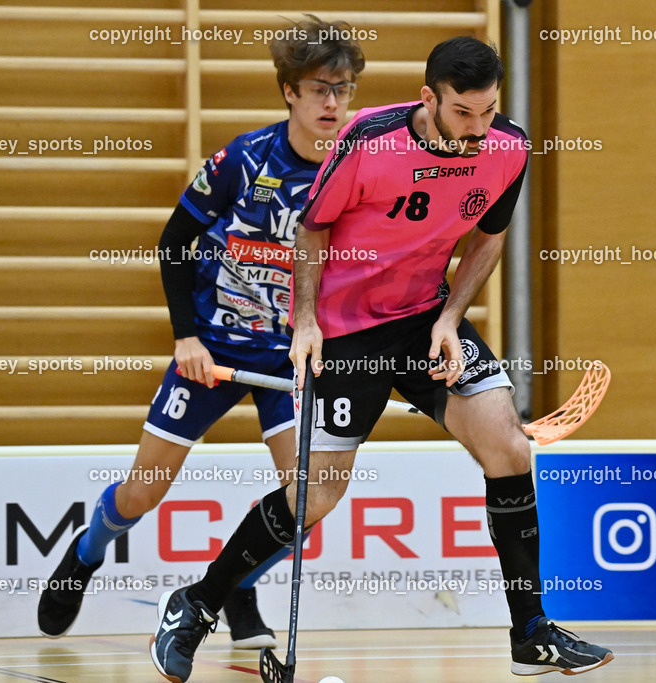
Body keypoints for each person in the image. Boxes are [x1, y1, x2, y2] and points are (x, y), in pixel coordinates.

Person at [149, 36, 614, 681]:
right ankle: (197, 604)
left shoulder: (507, 147)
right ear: (429, 99)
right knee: (316, 496)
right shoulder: (369, 140)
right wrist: (307, 320)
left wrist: (452, 318)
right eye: (461, 113)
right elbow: (313, 227)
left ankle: (530, 633)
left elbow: (490, 236)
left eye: (487, 111)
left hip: (425, 320)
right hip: (347, 331)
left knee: (509, 449)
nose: (476, 129)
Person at [36, 15, 365, 652]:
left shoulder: (357, 171)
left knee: (310, 500)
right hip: (210, 351)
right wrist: (186, 337)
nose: (333, 102)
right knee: (143, 491)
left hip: (287, 357)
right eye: (320, 88)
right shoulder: (243, 159)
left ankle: (235, 584)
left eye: (344, 88)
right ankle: (83, 553)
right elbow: (174, 245)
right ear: (289, 92)